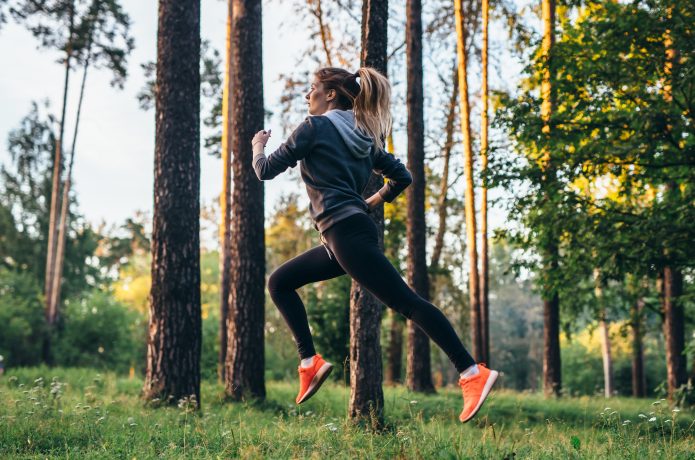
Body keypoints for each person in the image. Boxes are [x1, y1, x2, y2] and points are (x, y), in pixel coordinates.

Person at [251, 66, 498, 423]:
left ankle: (471, 371)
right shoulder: (365, 136)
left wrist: (258, 145)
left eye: (312, 89)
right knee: (279, 282)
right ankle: (309, 362)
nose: (308, 96)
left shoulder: (314, 128)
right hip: (346, 235)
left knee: (408, 303)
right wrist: (369, 203)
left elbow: (264, 170)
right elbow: (402, 177)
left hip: (344, 234)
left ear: (330, 94)